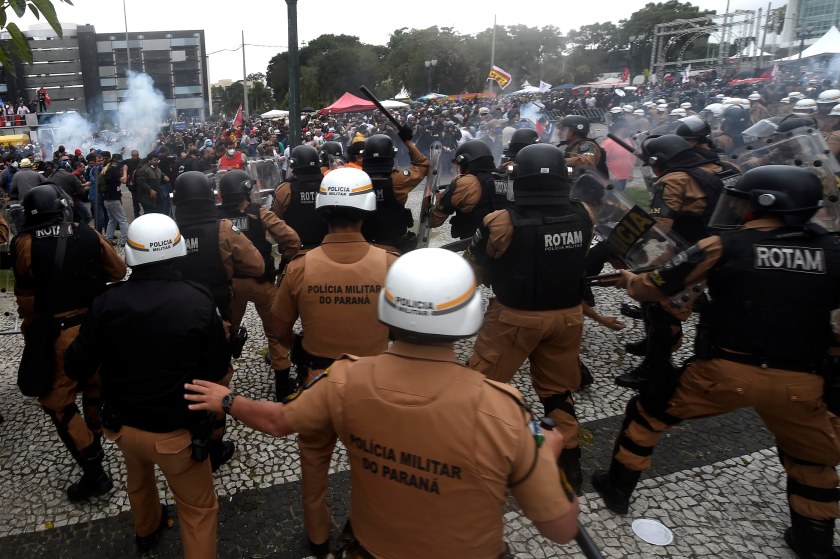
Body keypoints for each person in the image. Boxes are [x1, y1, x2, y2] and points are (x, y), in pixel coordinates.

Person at [185, 247, 580, 559]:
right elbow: (561, 529)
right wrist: (545, 458)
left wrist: (228, 399)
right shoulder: (505, 411)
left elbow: (280, 421)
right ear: (469, 317)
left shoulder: (344, 379)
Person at [593, 166, 840, 559]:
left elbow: (657, 285)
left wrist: (627, 279)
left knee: (648, 413)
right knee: (813, 460)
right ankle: (815, 542)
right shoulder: (833, 252)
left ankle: (617, 489)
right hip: (803, 382)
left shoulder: (724, 245)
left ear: (763, 203)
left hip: (725, 373)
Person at [64, 213, 229, 558]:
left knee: (138, 484)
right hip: (176, 433)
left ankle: (146, 532)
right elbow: (216, 368)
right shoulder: (198, 300)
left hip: (123, 427)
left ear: (131, 254)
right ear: (178, 249)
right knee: (198, 510)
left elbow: (76, 364)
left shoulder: (107, 303)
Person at [271, 167, 397, 556]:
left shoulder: (300, 266)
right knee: (374, 465)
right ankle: (368, 533)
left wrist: (300, 345)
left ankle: (318, 537)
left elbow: (277, 330)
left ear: (324, 211)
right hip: (374, 384)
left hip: (317, 380)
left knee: (313, 462)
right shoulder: (391, 263)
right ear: (366, 210)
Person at [465, 143, 593, 494]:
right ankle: (571, 466)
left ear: (518, 179)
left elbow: (474, 265)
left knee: (480, 387)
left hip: (514, 318)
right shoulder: (583, 214)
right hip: (566, 317)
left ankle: (476, 459)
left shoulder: (501, 221)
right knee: (557, 391)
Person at [12, 184, 126, 501]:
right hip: (97, 328)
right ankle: (97, 440)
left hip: (59, 333)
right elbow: (118, 271)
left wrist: (34, 337)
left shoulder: (23, 243)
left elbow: (26, 300)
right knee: (94, 387)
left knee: (56, 402)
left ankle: (94, 471)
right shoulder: (87, 234)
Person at [616, 134, 725, 390]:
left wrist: (636, 245)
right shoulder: (715, 167)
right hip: (717, 247)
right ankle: (650, 343)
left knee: (660, 305)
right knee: (656, 304)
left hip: (690, 254)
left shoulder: (673, 180)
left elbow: (661, 227)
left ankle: (656, 370)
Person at [172, 171, 265, 471]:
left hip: (177, 317)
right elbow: (256, 263)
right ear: (210, 197)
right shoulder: (224, 229)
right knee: (217, 379)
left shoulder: (168, 231)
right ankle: (213, 446)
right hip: (216, 319)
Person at [216, 170, 300, 401]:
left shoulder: (216, 218)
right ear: (246, 190)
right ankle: (283, 387)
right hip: (262, 283)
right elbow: (292, 239)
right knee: (276, 335)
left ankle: (219, 387)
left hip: (231, 287)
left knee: (225, 333)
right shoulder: (259, 213)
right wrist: (285, 260)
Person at [361, 132, 429, 253]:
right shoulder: (399, 179)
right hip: (394, 245)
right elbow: (423, 165)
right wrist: (408, 142)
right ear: (392, 155)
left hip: (364, 244)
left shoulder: (355, 180)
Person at [430, 140, 509, 240]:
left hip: (476, 246)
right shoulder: (504, 178)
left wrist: (437, 200)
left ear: (465, 162)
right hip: (504, 243)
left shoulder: (465, 183)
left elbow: (434, 220)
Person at [271, 145, 328, 251]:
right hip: (326, 251)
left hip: (295, 253)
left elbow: (275, 222)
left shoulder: (284, 190)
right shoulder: (330, 186)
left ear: (293, 164)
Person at [100, 152, 130, 247]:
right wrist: (125, 170)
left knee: (112, 220)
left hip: (107, 199)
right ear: (117, 161)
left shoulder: (108, 169)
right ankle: (125, 240)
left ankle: (108, 239)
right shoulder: (113, 169)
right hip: (113, 199)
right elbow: (124, 180)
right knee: (122, 220)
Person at [122, 149, 143, 220]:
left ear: (138, 155)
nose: (135, 157)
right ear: (131, 155)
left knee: (141, 198)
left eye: (136, 156)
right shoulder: (128, 161)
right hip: (132, 184)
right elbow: (120, 163)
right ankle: (136, 214)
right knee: (134, 199)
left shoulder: (142, 161)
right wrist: (121, 154)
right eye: (133, 156)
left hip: (140, 183)